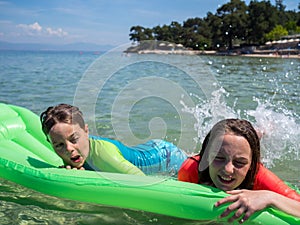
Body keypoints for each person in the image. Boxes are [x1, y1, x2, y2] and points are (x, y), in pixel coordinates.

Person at [178, 119, 300, 223]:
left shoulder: (260, 177)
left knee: (246, 141)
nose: (228, 170)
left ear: (251, 165)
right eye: (218, 158)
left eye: (240, 163)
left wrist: (269, 197)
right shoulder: (190, 169)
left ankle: (262, 130)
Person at [40, 103, 187, 176]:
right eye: (58, 145)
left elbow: (143, 183)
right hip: (146, 148)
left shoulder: (103, 155)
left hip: (165, 156)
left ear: (86, 131)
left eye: (74, 139)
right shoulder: (74, 152)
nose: (68, 149)